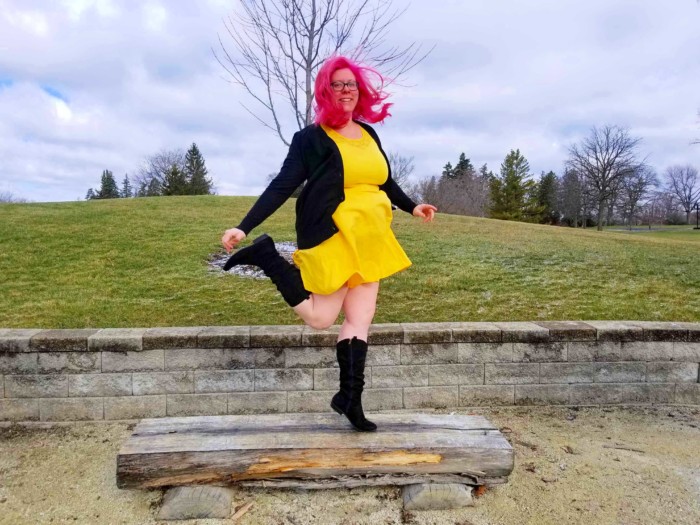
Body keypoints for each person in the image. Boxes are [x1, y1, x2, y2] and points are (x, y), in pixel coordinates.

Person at [221, 55, 436, 432]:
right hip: (334, 233)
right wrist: (244, 226)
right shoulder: (311, 139)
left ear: (359, 90)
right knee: (321, 318)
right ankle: (267, 256)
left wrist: (413, 206)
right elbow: (283, 184)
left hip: (372, 236)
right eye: (336, 85)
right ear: (325, 91)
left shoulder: (368, 133)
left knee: (360, 319)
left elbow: (384, 181)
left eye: (350, 84)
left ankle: (350, 400)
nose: (345, 91)